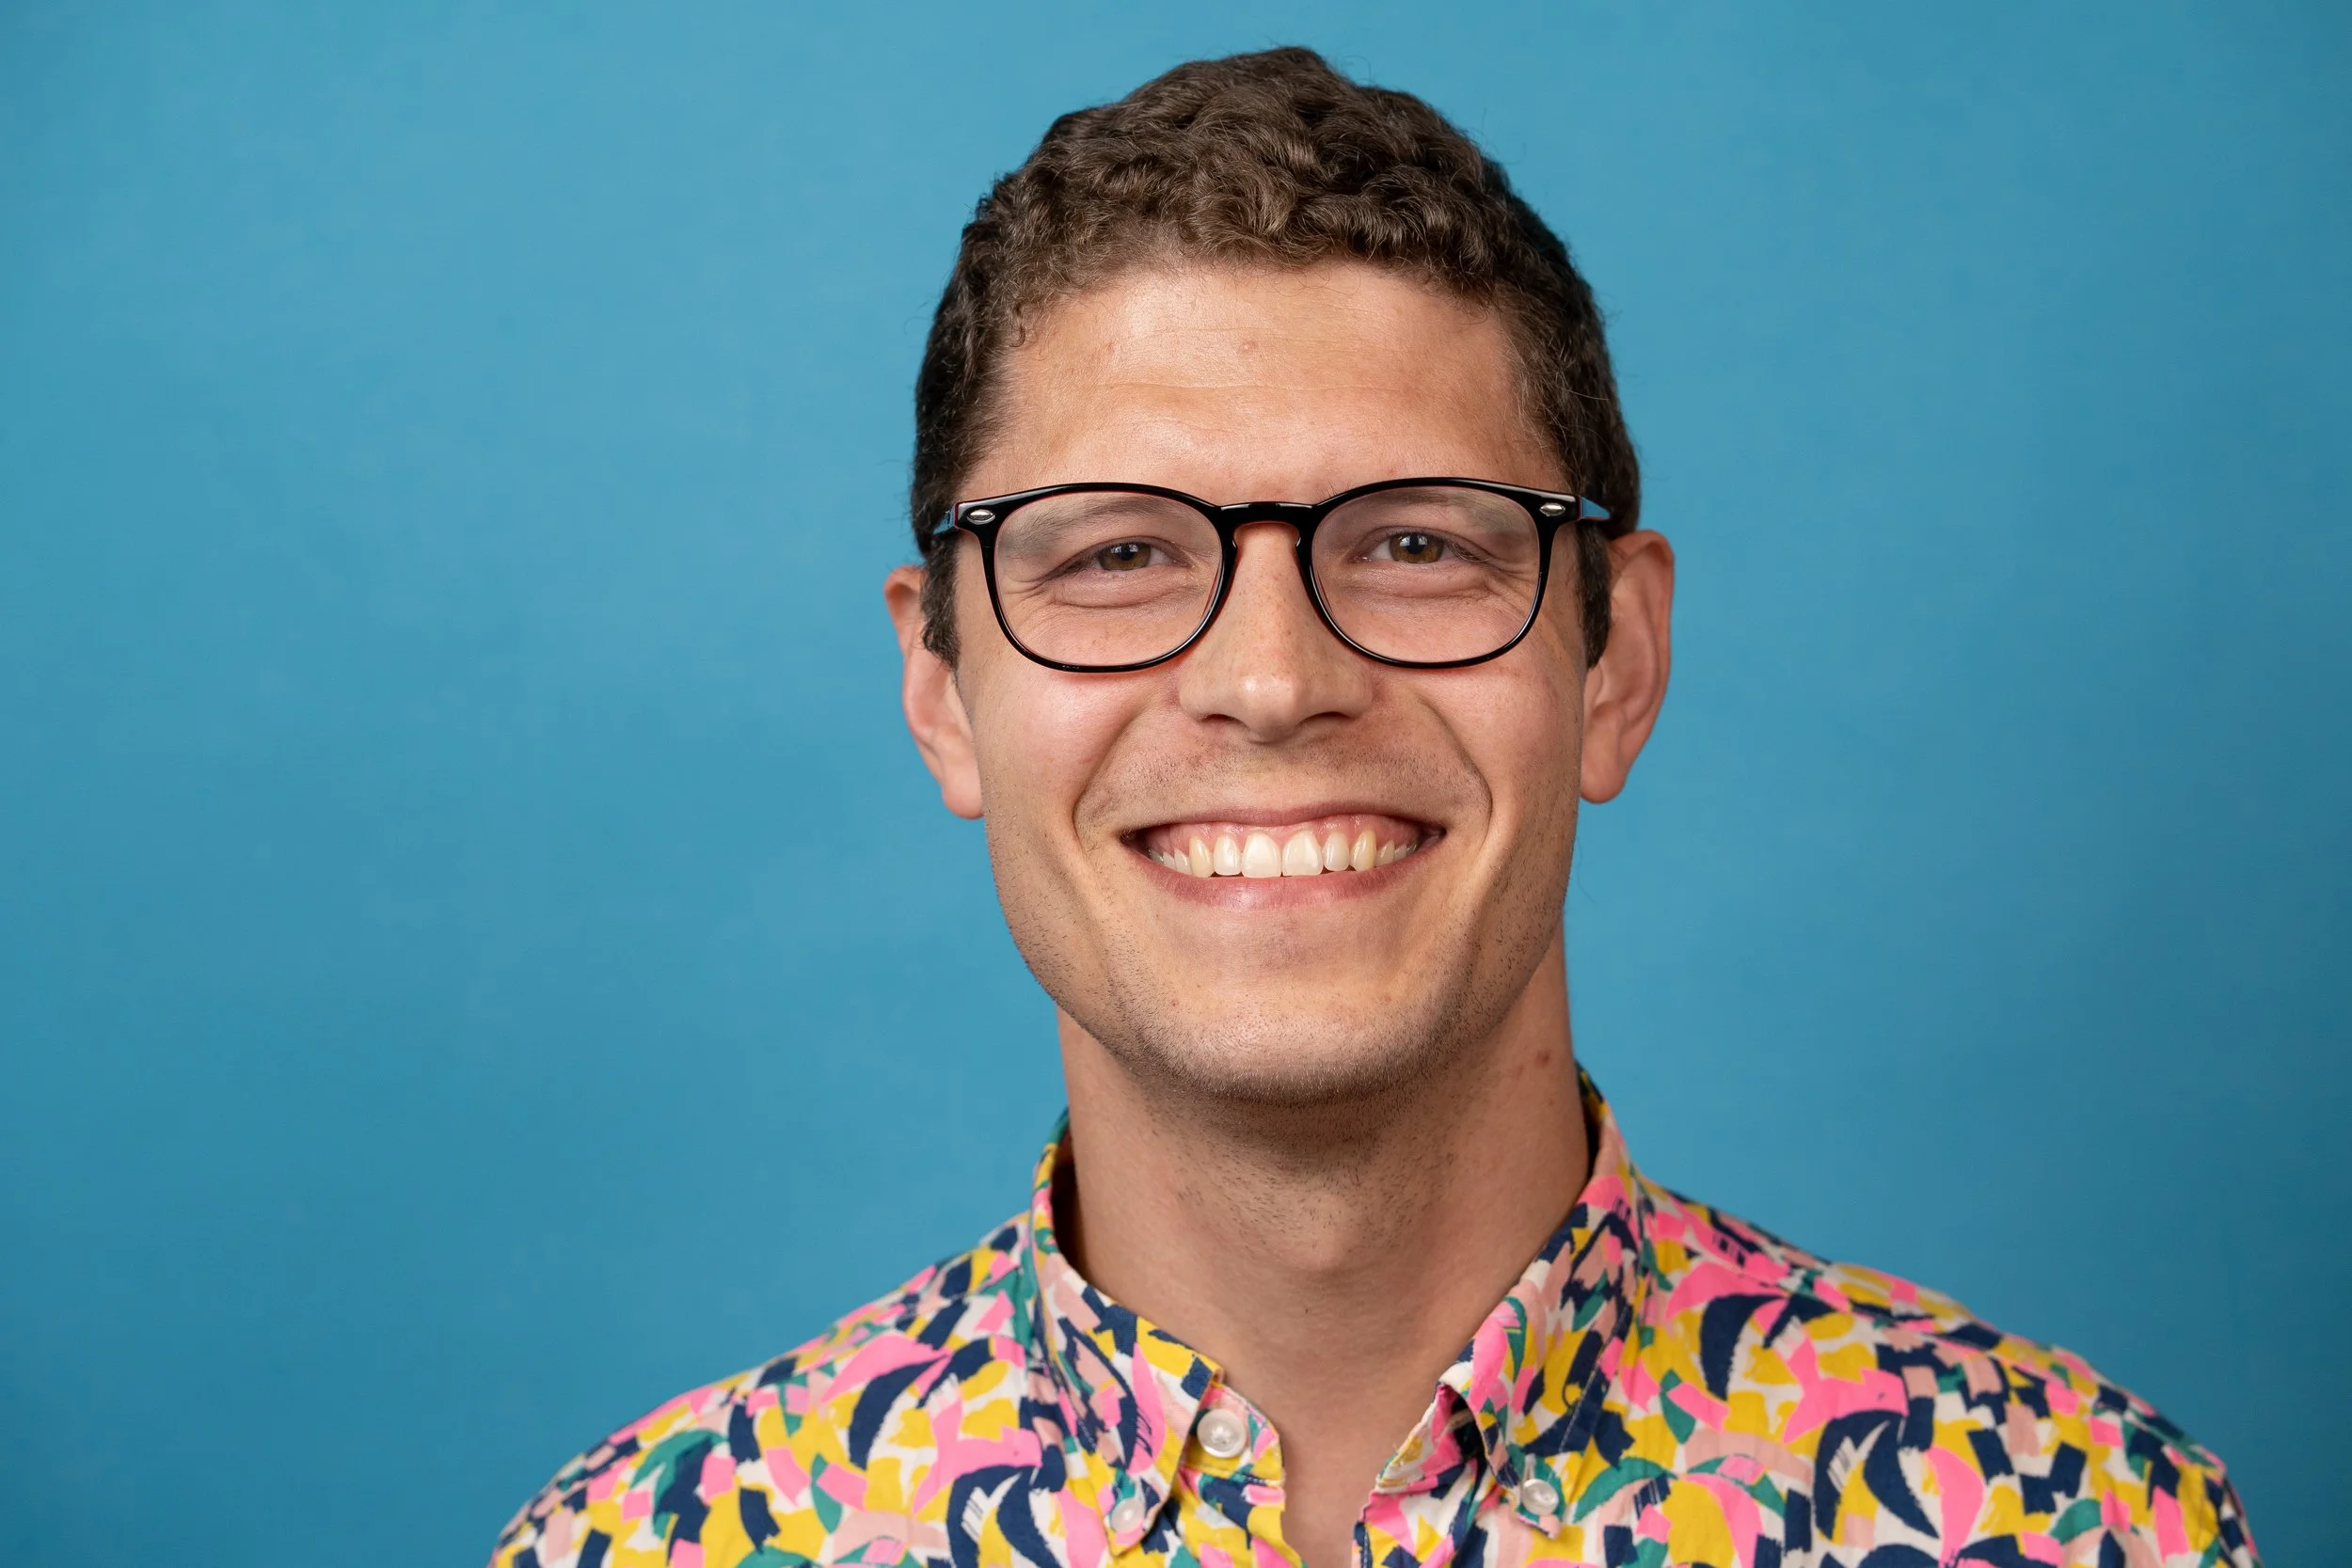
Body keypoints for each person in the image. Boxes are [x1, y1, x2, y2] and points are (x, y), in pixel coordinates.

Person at [490, 48, 2258, 1568]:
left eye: (1415, 542)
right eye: (1116, 553)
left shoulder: (2070, 1515)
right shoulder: (660, 1538)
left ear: (1614, 660)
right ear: (945, 690)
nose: (1272, 678)